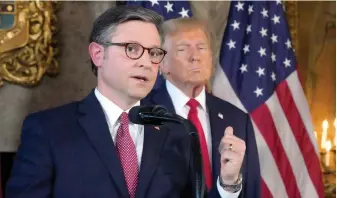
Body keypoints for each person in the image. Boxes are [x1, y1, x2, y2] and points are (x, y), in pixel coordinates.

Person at [6, 6, 246, 198]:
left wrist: (227, 183)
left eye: (153, 53)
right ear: (98, 54)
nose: (145, 62)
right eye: (132, 49)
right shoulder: (48, 130)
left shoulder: (177, 133)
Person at [144, 18, 261, 198]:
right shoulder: (141, 115)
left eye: (201, 48)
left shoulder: (237, 119)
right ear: (162, 63)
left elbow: (251, 191)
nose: (195, 56)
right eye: (183, 49)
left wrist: (229, 185)